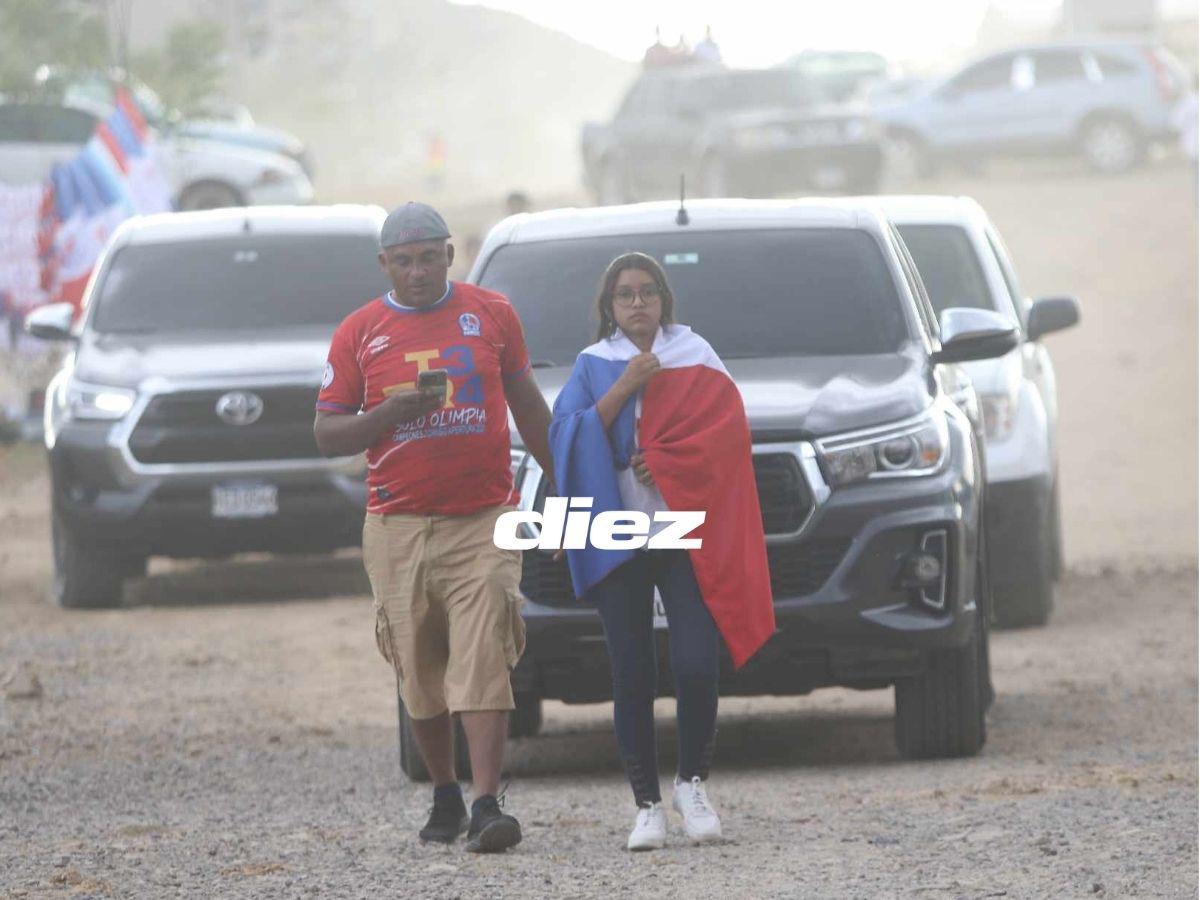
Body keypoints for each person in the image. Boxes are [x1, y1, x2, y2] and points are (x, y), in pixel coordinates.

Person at [313, 202, 554, 853]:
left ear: (449, 255)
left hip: (485, 517)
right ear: (384, 264)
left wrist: (565, 482)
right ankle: (445, 791)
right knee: (418, 668)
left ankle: (486, 803)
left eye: (428, 257)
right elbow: (328, 433)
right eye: (404, 261)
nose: (417, 271)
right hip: (398, 523)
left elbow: (529, 405)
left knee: (484, 650)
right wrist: (388, 413)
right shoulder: (360, 332)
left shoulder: (493, 314)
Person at [548, 253, 775, 851]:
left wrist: (672, 463)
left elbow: (728, 435)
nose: (637, 303)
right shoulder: (594, 363)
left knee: (696, 660)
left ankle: (691, 784)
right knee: (631, 670)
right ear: (609, 305)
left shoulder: (696, 355)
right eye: (625, 294)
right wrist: (625, 386)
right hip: (618, 529)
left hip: (680, 530)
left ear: (663, 299)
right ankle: (646, 804)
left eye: (648, 292)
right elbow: (566, 435)